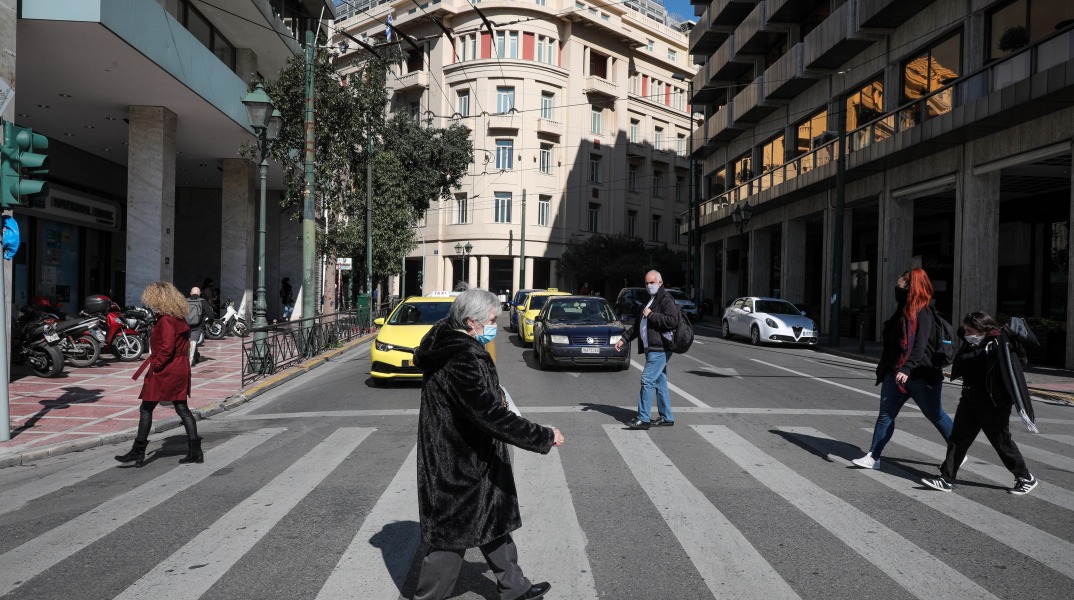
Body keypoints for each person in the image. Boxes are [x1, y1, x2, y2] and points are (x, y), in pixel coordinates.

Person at [412, 288, 563, 600]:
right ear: (472, 322)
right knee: (450, 541)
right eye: (492, 320)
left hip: (473, 456)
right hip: (456, 464)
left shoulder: (454, 343)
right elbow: (489, 414)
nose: (495, 325)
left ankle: (514, 587)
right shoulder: (460, 357)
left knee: (493, 521)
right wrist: (543, 436)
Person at [922, 312, 1039, 495]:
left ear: (982, 329)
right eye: (965, 329)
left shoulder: (999, 343)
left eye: (970, 329)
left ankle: (1025, 477)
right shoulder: (971, 343)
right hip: (969, 398)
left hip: (993, 402)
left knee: (1001, 442)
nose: (966, 333)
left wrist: (1013, 340)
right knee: (958, 440)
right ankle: (947, 478)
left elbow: (1020, 362)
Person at [852, 268, 953, 469]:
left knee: (935, 415)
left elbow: (920, 346)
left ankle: (958, 449)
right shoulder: (903, 311)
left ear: (913, 287)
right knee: (886, 415)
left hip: (920, 376)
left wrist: (906, 369)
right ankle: (873, 457)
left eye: (902, 285)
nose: (898, 289)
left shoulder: (924, 313)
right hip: (895, 372)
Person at [114, 281, 203, 467]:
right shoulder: (178, 317)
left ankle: (138, 452)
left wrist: (156, 365)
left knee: (146, 409)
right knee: (182, 409)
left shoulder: (166, 320)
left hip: (166, 369)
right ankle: (195, 451)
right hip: (179, 367)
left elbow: (166, 348)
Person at [614, 270, 680, 430]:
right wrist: (624, 339)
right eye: (647, 283)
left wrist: (651, 315)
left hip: (661, 348)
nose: (649, 285)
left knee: (647, 380)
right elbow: (638, 326)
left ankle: (643, 418)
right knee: (660, 382)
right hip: (652, 348)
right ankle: (667, 417)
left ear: (660, 283)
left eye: (652, 282)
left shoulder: (665, 300)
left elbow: (672, 321)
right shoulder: (650, 300)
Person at [186, 286, 215, 366]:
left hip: (186, 325)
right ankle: (190, 361)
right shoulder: (202, 301)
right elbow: (210, 314)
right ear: (199, 293)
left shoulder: (185, 301)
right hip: (198, 326)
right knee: (193, 342)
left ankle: (195, 356)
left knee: (188, 342)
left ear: (191, 293)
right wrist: (210, 322)